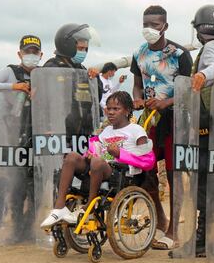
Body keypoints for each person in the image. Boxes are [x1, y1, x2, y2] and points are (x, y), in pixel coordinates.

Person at [40, 91, 155, 228]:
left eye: (116, 109)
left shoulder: (136, 130)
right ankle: (59, 207)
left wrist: (120, 154)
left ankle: (90, 205)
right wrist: (89, 154)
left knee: (97, 162)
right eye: (109, 109)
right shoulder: (106, 131)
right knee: (71, 157)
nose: (111, 112)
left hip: (122, 173)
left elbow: (147, 160)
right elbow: (96, 150)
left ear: (127, 110)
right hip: (99, 168)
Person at [175, 4, 214, 258]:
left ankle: (201, 239)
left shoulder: (211, 48)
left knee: (201, 182)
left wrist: (201, 74)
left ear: (199, 30)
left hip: (209, 126)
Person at [131, 5, 192, 250]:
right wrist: (137, 99)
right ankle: (160, 217)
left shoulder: (179, 54)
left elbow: (189, 89)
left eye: (154, 25)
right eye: (146, 24)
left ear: (165, 26)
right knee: (143, 171)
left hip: (174, 121)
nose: (149, 29)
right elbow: (137, 84)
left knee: (174, 173)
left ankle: (174, 230)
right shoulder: (139, 53)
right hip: (149, 121)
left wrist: (166, 101)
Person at [0, 35, 43, 243]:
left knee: (37, 186)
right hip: (14, 136)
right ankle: (16, 228)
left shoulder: (44, 75)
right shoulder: (10, 72)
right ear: (19, 54)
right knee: (17, 185)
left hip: (39, 135)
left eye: (35, 52)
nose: (31, 56)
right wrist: (12, 87)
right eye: (27, 52)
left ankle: (29, 227)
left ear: (41, 55)